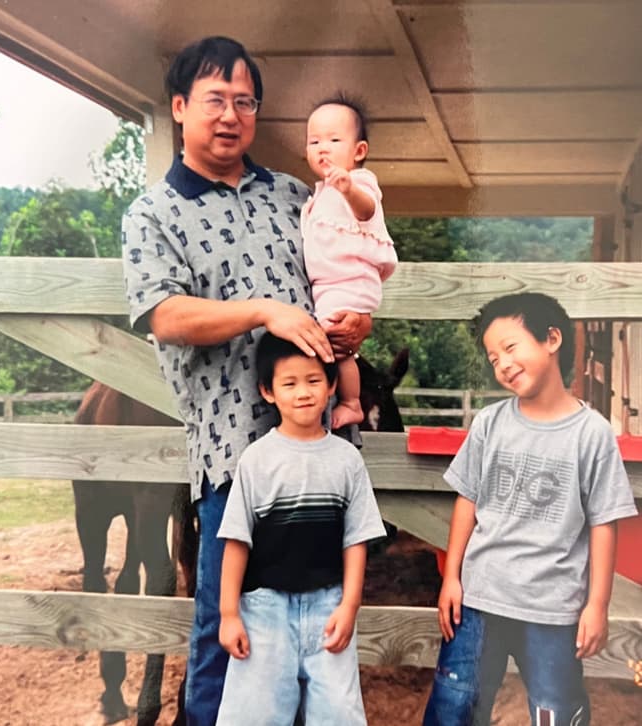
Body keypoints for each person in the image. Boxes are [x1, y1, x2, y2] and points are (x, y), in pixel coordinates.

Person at [120, 36, 372, 725]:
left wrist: (351, 325)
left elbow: (343, 271)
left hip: (320, 456)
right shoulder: (153, 214)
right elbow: (164, 314)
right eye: (214, 101)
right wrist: (264, 311)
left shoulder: (294, 196)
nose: (230, 115)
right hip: (236, 462)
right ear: (179, 108)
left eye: (245, 102)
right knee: (224, 639)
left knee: (316, 638)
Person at [423, 293, 638, 726]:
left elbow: (603, 523)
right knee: (455, 705)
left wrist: (597, 604)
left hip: (553, 606)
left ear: (552, 339)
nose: (501, 363)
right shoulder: (490, 423)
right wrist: (451, 577)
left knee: (555, 710)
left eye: (510, 347)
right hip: (479, 599)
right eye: (492, 356)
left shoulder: (592, 434)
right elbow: (467, 499)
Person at [215, 333, 385, 725]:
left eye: (313, 381)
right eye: (289, 383)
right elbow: (237, 540)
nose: (303, 393)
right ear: (268, 391)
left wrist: (350, 604)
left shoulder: (346, 460)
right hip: (265, 609)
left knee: (338, 713)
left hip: (329, 606)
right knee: (254, 713)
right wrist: (228, 613)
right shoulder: (257, 460)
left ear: (331, 386)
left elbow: (356, 539)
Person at [301, 94, 398, 429]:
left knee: (330, 340)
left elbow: (367, 209)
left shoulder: (358, 181)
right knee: (329, 341)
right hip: (333, 283)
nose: (322, 148)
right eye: (314, 141)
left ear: (359, 151)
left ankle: (352, 402)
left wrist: (347, 189)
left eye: (333, 140)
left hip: (350, 281)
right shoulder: (318, 194)